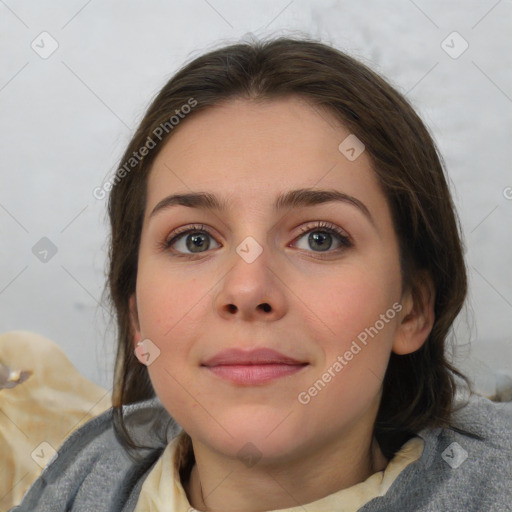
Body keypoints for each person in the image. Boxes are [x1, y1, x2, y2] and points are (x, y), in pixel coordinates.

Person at [12, 36, 511, 512]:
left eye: (320, 238)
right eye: (195, 240)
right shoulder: (74, 478)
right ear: (137, 316)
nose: (248, 290)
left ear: (413, 308)